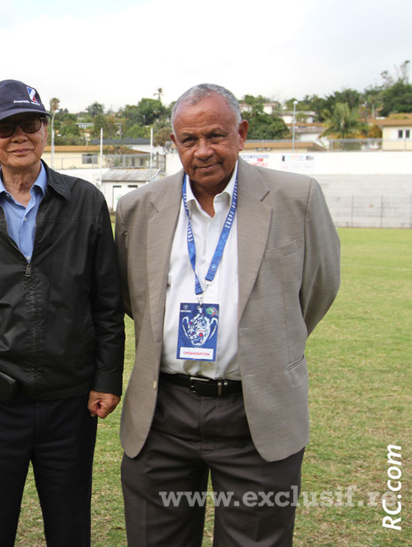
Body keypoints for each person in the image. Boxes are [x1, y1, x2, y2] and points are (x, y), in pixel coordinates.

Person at [115, 83, 341, 545]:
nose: (203, 151)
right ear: (173, 142)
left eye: (216, 136)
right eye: (189, 140)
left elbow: (318, 289)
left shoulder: (296, 199)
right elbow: (130, 297)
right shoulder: (138, 208)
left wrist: (265, 346)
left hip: (257, 412)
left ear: (241, 133)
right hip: (163, 412)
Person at [0, 79, 125, 546]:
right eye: (5, 126)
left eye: (31, 123)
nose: (20, 136)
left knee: (70, 526)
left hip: (70, 400)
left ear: (45, 130)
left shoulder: (85, 202)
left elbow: (107, 302)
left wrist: (106, 378)